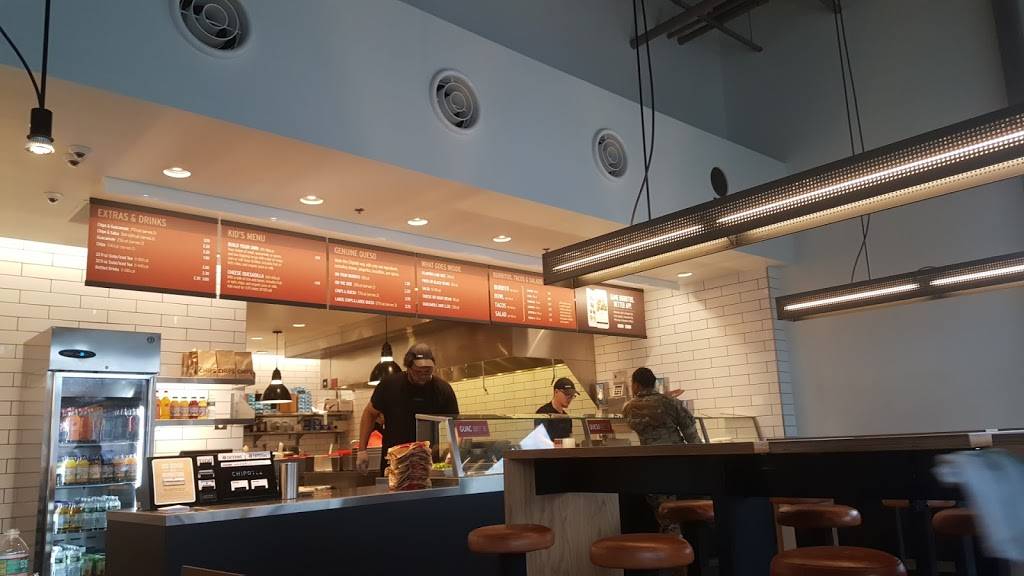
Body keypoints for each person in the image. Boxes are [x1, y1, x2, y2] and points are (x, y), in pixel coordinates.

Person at [356, 343, 459, 475]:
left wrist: (454, 452)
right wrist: (362, 450)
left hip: (426, 462)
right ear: (408, 367)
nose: (423, 376)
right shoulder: (389, 385)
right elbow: (370, 413)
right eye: (418, 372)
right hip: (394, 462)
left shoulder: (442, 389)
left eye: (427, 372)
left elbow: (456, 425)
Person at [623, 367, 701, 446]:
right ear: (654, 383)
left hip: (648, 452)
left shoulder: (628, 407)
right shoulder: (671, 402)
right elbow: (691, 435)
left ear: (636, 385)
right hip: (675, 451)